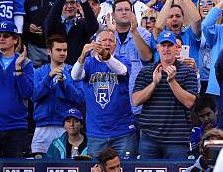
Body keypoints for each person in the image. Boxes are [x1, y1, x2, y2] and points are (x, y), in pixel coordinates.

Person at [133, 30, 198, 159]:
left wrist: (172, 81)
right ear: (157, 48)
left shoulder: (188, 71)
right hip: (149, 138)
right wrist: (154, 83)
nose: (166, 49)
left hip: (177, 139)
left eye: (170, 45)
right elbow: (136, 100)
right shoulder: (146, 71)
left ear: (177, 48)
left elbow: (190, 102)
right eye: (163, 45)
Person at [71, 29, 137, 157]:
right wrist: (82, 56)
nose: (107, 43)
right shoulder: (89, 63)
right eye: (103, 40)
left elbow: (122, 70)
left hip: (123, 131)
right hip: (97, 132)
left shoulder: (123, 60)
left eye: (111, 40)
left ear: (115, 45)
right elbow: (75, 76)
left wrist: (106, 57)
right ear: (95, 43)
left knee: (125, 171)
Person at [0, 21, 33, 158]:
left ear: (15, 39)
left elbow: (27, 92)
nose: (1, 38)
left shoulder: (25, 63)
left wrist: (18, 68)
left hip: (16, 127)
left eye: (6, 35)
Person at [31, 35, 85, 155]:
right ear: (49, 51)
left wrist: (64, 83)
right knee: (40, 168)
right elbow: (33, 96)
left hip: (65, 127)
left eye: (64, 50)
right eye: (58, 50)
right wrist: (49, 77)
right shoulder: (39, 72)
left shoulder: (74, 71)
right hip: (42, 127)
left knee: (64, 167)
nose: (62, 53)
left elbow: (81, 98)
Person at [45, 0, 99, 65]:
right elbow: (48, 26)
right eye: (65, 3)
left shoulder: (82, 23)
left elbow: (93, 27)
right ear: (61, 4)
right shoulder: (54, 24)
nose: (69, 6)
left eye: (72, 3)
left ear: (77, 5)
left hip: (78, 71)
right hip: (56, 71)